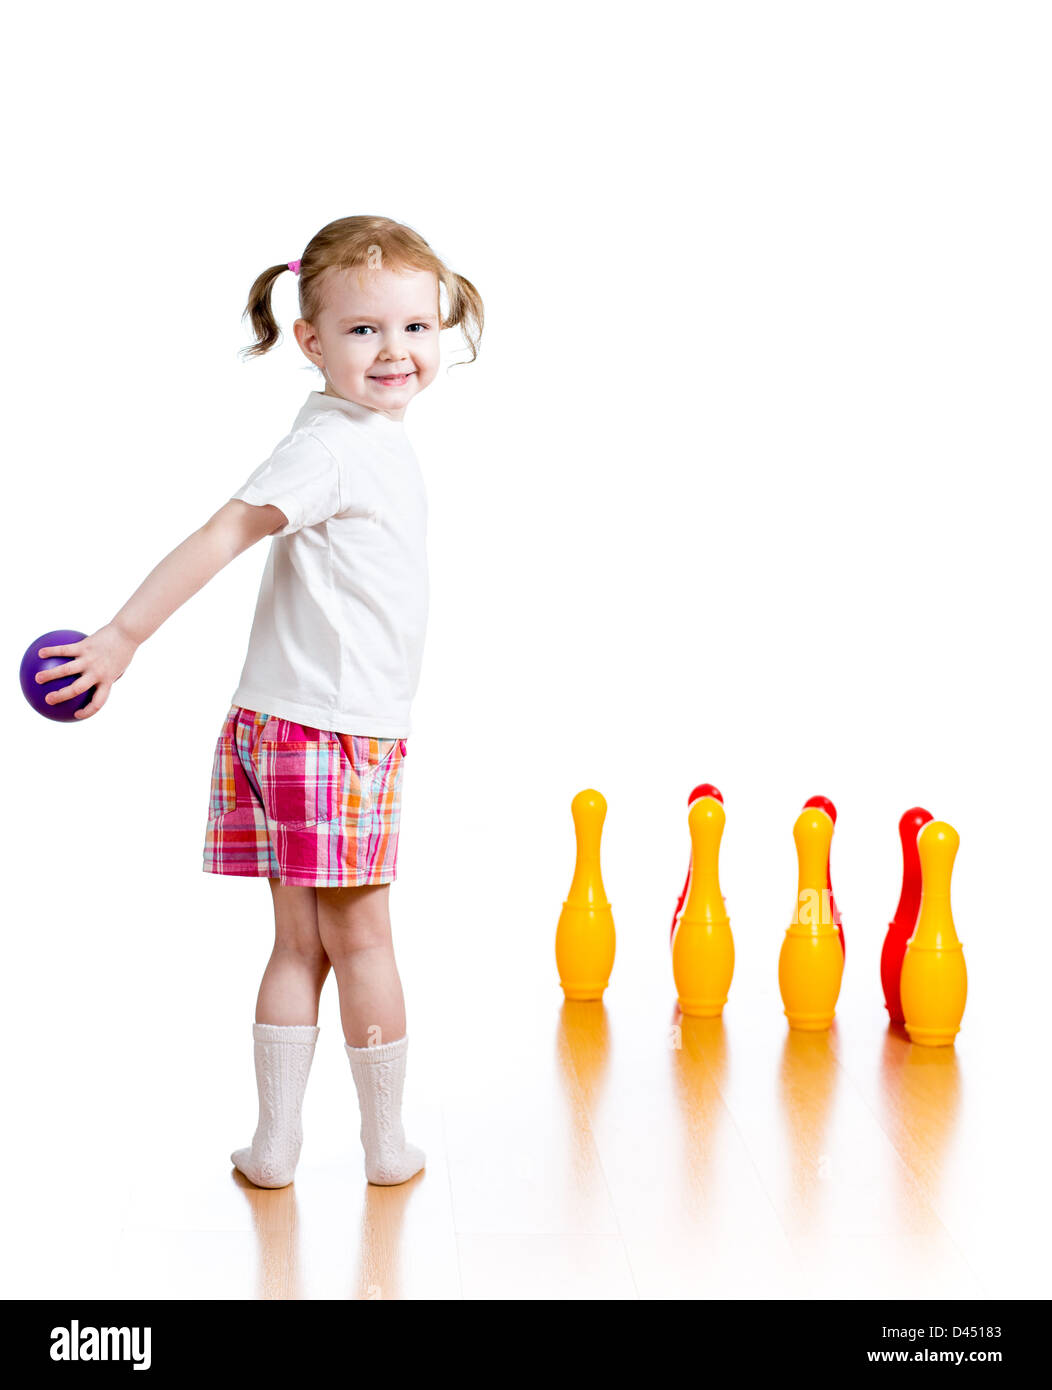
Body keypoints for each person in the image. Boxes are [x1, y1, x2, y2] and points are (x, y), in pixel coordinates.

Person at [32, 214, 484, 1187]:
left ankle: (275, 1147)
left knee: (298, 942)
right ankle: (383, 1144)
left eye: (416, 326)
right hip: (334, 731)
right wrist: (122, 636)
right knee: (361, 939)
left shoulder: (340, 430)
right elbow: (223, 534)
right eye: (364, 330)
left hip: (290, 724)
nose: (395, 350)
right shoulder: (334, 449)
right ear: (311, 340)